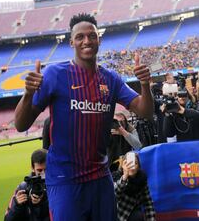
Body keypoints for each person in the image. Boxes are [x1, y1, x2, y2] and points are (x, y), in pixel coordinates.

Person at [14, 13, 154, 220]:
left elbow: (145, 112)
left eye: (92, 36)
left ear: (99, 39)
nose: (86, 41)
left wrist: (144, 85)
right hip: (65, 179)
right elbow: (20, 124)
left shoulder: (111, 79)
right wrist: (28, 94)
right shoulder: (55, 74)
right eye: (80, 37)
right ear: (71, 42)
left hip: (100, 175)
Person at [4, 149, 49, 221]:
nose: (44, 174)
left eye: (47, 169)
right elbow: (7, 219)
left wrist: (42, 203)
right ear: (32, 168)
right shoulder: (23, 188)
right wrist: (18, 205)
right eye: (39, 170)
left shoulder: (58, 187)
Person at [113, 153, 156, 221]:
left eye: (135, 163)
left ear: (138, 167)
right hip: (117, 212)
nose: (131, 166)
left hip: (132, 213)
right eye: (128, 163)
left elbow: (148, 203)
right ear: (123, 165)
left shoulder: (141, 179)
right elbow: (115, 194)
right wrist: (124, 177)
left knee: (138, 216)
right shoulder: (117, 176)